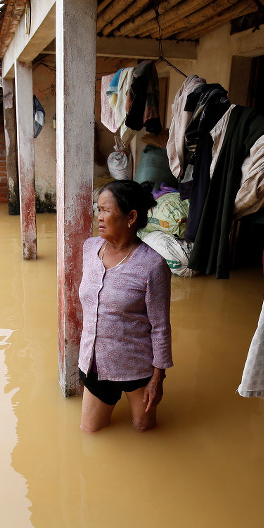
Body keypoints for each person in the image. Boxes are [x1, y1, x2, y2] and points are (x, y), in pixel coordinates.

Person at [78, 180, 173, 432]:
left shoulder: (152, 265)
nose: (99, 217)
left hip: (136, 366)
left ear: (131, 217)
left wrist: (158, 378)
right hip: (95, 363)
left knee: (144, 429)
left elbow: (160, 326)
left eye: (106, 210)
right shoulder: (90, 249)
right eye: (98, 210)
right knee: (90, 431)